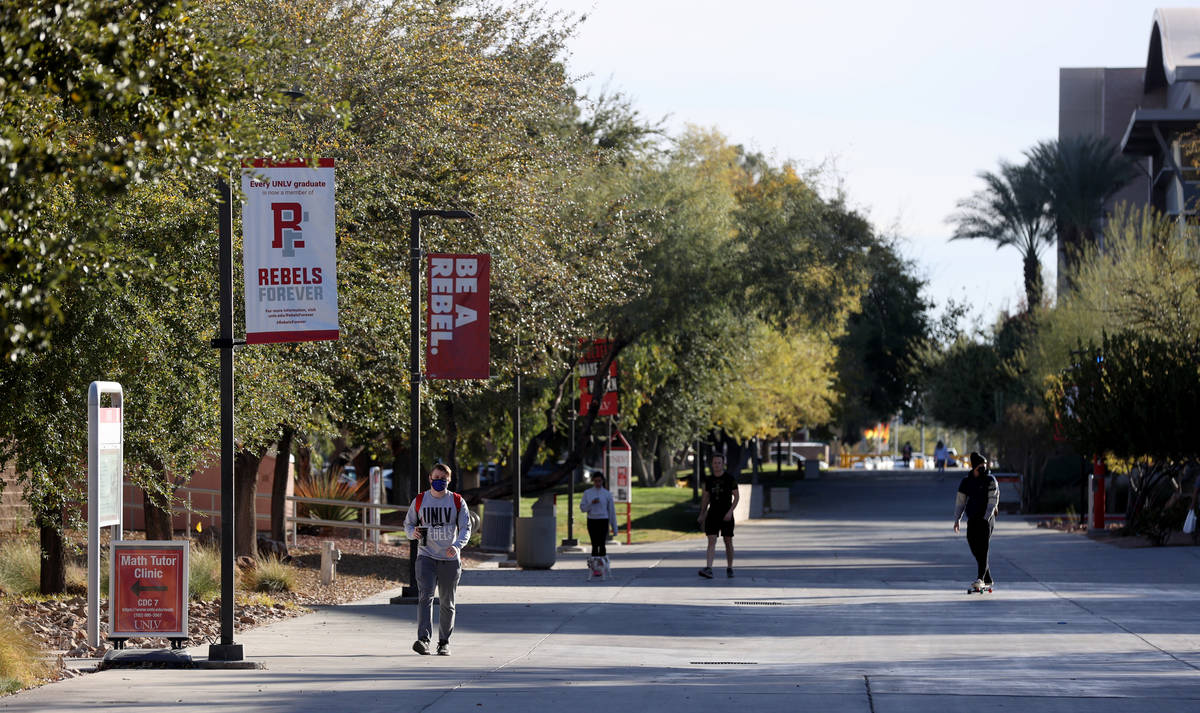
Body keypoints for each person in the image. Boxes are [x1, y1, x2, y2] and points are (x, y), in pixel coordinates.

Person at [404, 463, 471, 656]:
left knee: (447, 602)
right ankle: (423, 640)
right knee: (425, 597)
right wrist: (412, 532)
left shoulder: (457, 501)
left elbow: (466, 528)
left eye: (443, 478)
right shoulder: (420, 500)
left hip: (449, 558)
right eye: (436, 478)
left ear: (449, 480)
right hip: (426, 555)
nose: (439, 481)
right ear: (430, 479)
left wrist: (457, 545)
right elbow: (408, 524)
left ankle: (444, 642)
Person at [953, 452, 999, 592]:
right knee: (973, 545)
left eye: (984, 466)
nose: (983, 468)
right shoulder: (966, 482)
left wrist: (987, 517)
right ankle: (988, 578)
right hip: (972, 518)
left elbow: (993, 500)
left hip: (986, 519)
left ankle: (980, 578)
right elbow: (960, 501)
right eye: (980, 466)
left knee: (983, 548)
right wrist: (957, 519)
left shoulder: (990, 480)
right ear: (974, 467)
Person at [697, 452, 740, 579]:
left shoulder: (730, 479)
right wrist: (702, 514)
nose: (717, 465)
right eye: (715, 463)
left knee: (728, 541)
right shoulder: (709, 480)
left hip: (726, 513)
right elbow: (705, 498)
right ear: (712, 464)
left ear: (723, 463)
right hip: (713, 513)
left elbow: (736, 497)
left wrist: (730, 511)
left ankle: (730, 567)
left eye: (719, 463)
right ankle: (709, 568)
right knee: (711, 540)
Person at [579, 472, 618, 578]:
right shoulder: (587, 493)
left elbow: (611, 511)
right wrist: (591, 503)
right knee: (595, 544)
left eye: (600, 481)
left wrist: (614, 528)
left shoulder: (607, 494)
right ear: (593, 481)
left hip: (603, 520)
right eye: (596, 481)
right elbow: (582, 508)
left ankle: (603, 566)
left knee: (602, 544)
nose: (598, 483)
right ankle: (595, 568)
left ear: (603, 481)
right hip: (592, 520)